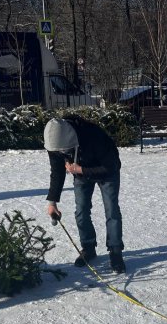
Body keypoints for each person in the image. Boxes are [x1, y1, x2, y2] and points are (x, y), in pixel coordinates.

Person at [44, 116, 126, 273]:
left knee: (112, 210)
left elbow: (112, 166)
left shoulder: (93, 135)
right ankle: (88, 248)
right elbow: (57, 172)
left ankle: (115, 252)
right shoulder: (54, 142)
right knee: (81, 210)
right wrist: (52, 202)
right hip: (80, 174)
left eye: (65, 151)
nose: (62, 153)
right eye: (59, 152)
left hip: (107, 172)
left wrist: (81, 170)